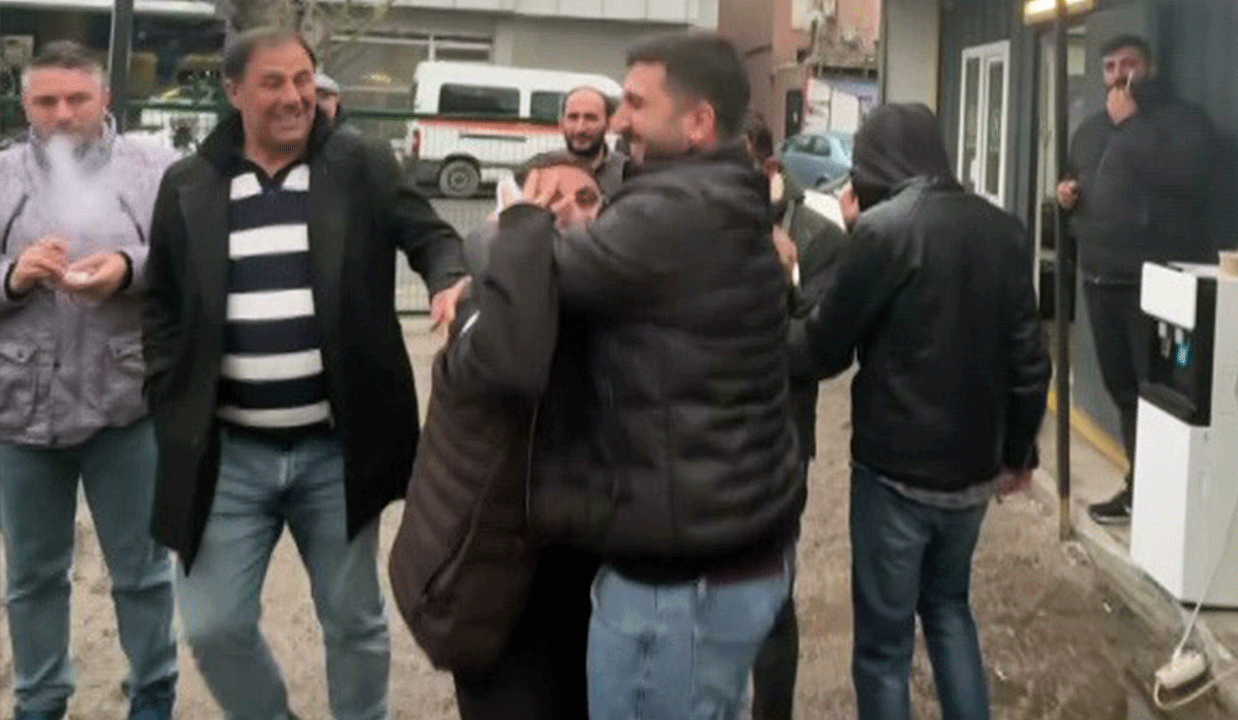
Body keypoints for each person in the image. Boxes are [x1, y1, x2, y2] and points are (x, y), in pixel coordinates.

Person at [141, 28, 468, 720]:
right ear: (233, 90)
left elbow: (431, 236)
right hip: (227, 456)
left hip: (335, 451)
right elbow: (162, 305)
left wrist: (449, 280)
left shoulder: (360, 164)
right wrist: (167, 395)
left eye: (304, 81)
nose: (295, 98)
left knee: (354, 621)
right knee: (214, 627)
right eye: (274, 83)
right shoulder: (190, 184)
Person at [520, 31, 805, 720]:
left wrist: (519, 219)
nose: (619, 121)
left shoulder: (674, 210)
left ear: (699, 121)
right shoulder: (729, 196)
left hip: (678, 588)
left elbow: (528, 276)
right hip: (736, 552)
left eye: (636, 104)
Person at [792, 103, 1050, 720]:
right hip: (972, 471)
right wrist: (1018, 455)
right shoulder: (1004, 229)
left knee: (884, 648)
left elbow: (824, 349)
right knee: (949, 610)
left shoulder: (882, 231)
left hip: (895, 473)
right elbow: (1030, 359)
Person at [0, 40, 180, 720]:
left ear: (105, 99)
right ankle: (40, 699)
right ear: (25, 104)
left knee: (141, 571)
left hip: (124, 405)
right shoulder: (3, 176)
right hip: (19, 413)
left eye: (77, 98)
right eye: (46, 100)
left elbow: (193, 259)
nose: (63, 113)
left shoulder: (155, 171)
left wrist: (128, 268)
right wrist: (14, 277)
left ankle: (154, 691)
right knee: (32, 576)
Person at [390, 151, 604, 720]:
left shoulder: (611, 304)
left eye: (587, 200)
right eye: (549, 201)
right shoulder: (482, 303)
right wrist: (518, 242)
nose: (571, 212)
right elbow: (514, 361)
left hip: (582, 574)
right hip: (495, 583)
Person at [1056, 35, 1214, 525]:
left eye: (1129, 64)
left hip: (1152, 282)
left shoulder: (1182, 123)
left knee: (1158, 392)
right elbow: (1076, 179)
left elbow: (1186, 177)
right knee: (1122, 389)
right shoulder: (1089, 130)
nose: (1119, 75)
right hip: (1099, 276)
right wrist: (1066, 196)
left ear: (1151, 68)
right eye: (1110, 66)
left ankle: (1161, 499)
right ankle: (1139, 488)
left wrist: (1131, 125)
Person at [742, 110, 847, 720]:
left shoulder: (819, 237)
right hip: (692, 442)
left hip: (780, 441)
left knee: (770, 596)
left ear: (770, 168)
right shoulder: (687, 228)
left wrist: (782, 280)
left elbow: (821, 348)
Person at [560, 85, 627, 195]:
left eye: (590, 118)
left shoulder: (627, 174)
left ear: (608, 123)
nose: (580, 128)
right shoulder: (542, 172)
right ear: (561, 123)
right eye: (573, 117)